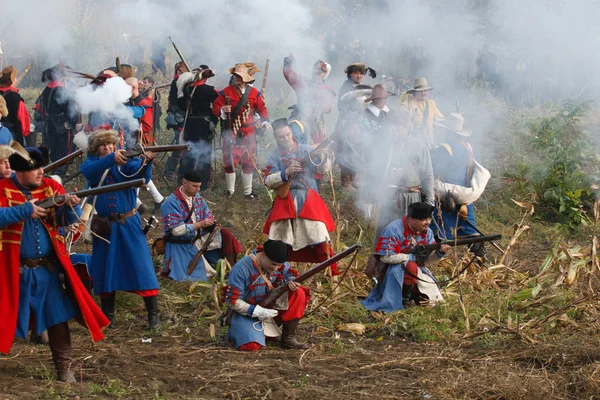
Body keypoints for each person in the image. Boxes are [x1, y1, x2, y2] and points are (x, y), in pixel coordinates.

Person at [0, 146, 109, 382]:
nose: (40, 172)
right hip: (10, 270)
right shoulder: (3, 188)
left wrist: (71, 206)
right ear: (18, 171)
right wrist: (24, 210)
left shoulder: (52, 186)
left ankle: (64, 370)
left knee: (57, 319)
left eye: (41, 167)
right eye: (34, 168)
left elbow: (68, 221)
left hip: (47, 268)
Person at [80, 129, 161, 330]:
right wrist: (111, 159)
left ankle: (153, 316)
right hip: (105, 226)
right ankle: (108, 317)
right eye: (103, 145)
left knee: (142, 269)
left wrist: (147, 161)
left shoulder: (125, 163)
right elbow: (89, 171)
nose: (107, 148)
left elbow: (140, 173)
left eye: (110, 145)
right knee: (105, 270)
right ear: (95, 148)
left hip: (128, 223)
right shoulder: (93, 165)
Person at [262, 119, 337, 274]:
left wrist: (323, 156)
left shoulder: (306, 149)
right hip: (285, 199)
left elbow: (324, 170)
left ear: (291, 133)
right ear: (276, 138)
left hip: (308, 198)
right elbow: (268, 180)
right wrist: (286, 173)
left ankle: (331, 272)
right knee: (280, 237)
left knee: (320, 235)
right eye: (281, 137)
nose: (286, 138)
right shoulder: (274, 156)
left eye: (288, 134)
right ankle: (279, 271)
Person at [221, 239, 310, 351]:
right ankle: (258, 334)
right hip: (247, 313)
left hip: (271, 309)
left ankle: (287, 338)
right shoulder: (240, 268)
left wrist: (291, 282)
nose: (276, 268)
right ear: (263, 254)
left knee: (299, 292)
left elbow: (288, 275)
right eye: (273, 264)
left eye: (279, 265)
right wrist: (257, 311)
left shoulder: (279, 262)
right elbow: (232, 301)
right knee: (250, 346)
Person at [360, 202, 449, 312]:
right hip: (391, 271)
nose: (428, 222)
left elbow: (427, 261)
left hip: (417, 270)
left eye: (429, 219)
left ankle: (413, 295)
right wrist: (410, 258)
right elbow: (386, 257)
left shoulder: (428, 232)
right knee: (410, 266)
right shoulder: (393, 229)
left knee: (427, 298)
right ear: (412, 220)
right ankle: (403, 301)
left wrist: (439, 253)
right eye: (423, 219)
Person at [160, 169, 242, 281]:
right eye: (195, 186)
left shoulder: (198, 198)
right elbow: (176, 230)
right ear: (184, 183)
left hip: (198, 237)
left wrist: (211, 224)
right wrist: (199, 224)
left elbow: (207, 215)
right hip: (181, 244)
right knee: (193, 277)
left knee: (226, 235)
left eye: (199, 186)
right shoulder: (171, 202)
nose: (198, 189)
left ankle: (231, 268)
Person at [372, 110, 435, 242]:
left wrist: (429, 204)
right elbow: (375, 173)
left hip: (412, 199)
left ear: (408, 127)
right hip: (389, 198)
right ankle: (384, 261)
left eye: (401, 126)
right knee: (386, 235)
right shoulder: (384, 146)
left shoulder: (419, 147)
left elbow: (427, 177)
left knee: (411, 239)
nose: (396, 129)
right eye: (393, 125)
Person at [431, 113, 489, 256]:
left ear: (447, 131)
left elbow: (432, 169)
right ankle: (481, 262)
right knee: (470, 231)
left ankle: (429, 260)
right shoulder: (469, 147)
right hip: (464, 197)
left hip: (446, 198)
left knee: (436, 230)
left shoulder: (444, 149)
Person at [212, 63, 270, 199]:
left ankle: (247, 192)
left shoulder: (255, 93)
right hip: (231, 130)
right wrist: (223, 110)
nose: (236, 78)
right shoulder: (226, 92)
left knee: (248, 161)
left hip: (249, 132)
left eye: (239, 76)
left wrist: (265, 121)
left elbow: (262, 108)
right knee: (230, 161)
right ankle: (230, 191)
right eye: (235, 75)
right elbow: (215, 107)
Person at [176, 65, 219, 187]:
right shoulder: (209, 90)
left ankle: (183, 179)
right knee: (204, 154)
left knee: (188, 153)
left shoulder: (185, 89)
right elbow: (218, 104)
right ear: (205, 78)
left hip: (189, 125)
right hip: (203, 126)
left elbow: (181, 106)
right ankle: (202, 183)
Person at [34, 64, 79, 178]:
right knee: (66, 150)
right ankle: (59, 174)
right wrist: (74, 124)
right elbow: (71, 109)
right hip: (63, 124)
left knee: (55, 148)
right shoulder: (62, 90)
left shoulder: (47, 89)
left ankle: (55, 169)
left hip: (51, 123)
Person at [283, 54, 336, 145]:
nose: (316, 73)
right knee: (292, 143)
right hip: (300, 118)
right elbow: (289, 74)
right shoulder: (304, 83)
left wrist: (315, 105)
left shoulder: (327, 90)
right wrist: (288, 63)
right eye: (315, 70)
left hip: (316, 123)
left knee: (314, 149)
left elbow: (328, 108)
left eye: (320, 71)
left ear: (324, 74)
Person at [400, 77, 444, 148]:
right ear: (415, 92)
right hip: (412, 144)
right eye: (420, 91)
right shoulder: (406, 104)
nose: (423, 93)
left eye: (425, 90)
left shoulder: (431, 103)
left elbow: (441, 119)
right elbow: (401, 125)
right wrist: (410, 119)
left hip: (428, 143)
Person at [164, 62, 189, 181]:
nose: (180, 72)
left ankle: (179, 171)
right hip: (178, 117)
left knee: (182, 145)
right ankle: (169, 172)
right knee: (179, 145)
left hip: (185, 117)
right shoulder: (177, 82)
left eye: (182, 71)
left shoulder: (186, 82)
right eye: (178, 70)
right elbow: (179, 101)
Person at [0, 66, 31, 145]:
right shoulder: (15, 97)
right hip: (13, 137)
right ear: (13, 80)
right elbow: (23, 120)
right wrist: (24, 134)